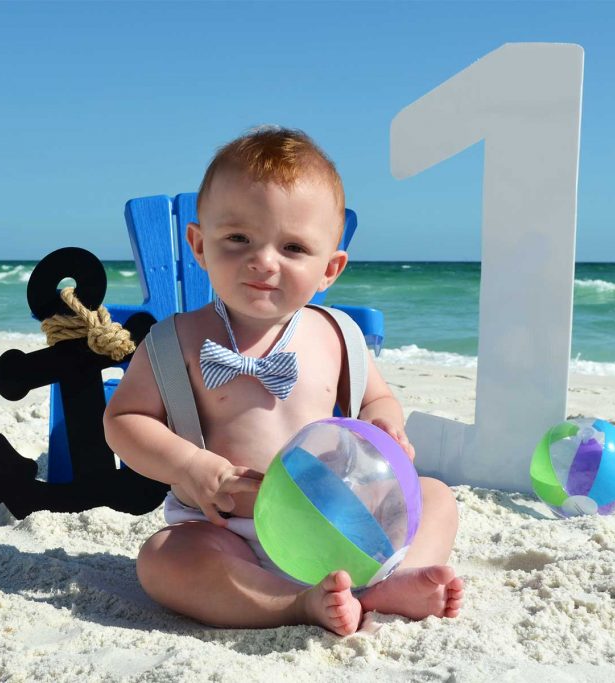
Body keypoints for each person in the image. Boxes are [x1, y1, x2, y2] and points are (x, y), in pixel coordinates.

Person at [103, 127, 462, 635]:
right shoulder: (174, 342)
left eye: (293, 247)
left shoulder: (338, 336)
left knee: (437, 497)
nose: (263, 260)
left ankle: (386, 583)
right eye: (238, 239)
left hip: (344, 518)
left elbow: (376, 398)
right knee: (163, 559)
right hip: (229, 530)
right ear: (200, 245)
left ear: (330, 269)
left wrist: (385, 424)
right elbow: (124, 419)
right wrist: (189, 464)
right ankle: (295, 604)